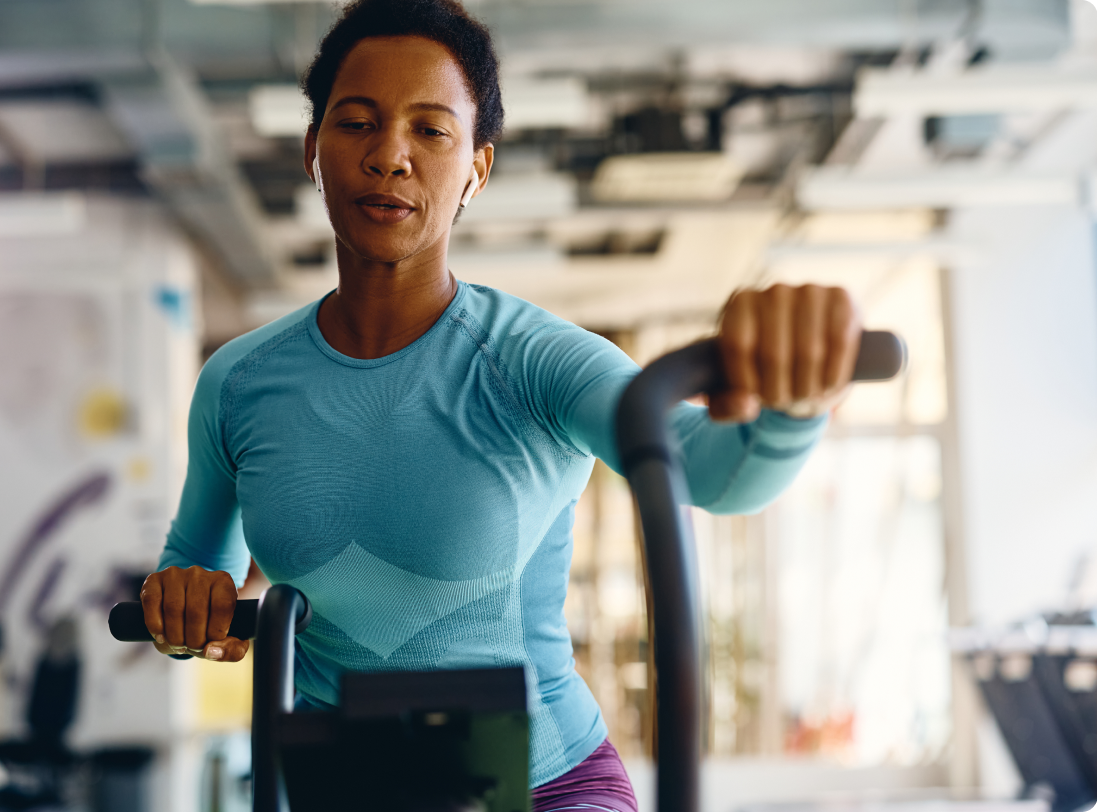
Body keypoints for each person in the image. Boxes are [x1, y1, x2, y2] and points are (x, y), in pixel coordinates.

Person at [140, 1, 860, 808]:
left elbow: (714, 476)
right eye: (356, 124)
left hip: (545, 787)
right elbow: (191, 573)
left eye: (431, 130)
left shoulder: (533, 359)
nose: (389, 157)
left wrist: (794, 408)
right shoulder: (237, 382)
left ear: (476, 170)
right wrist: (184, 607)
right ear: (314, 151)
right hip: (340, 789)